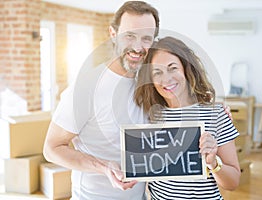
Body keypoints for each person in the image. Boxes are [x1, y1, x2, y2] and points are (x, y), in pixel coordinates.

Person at [43, 1, 160, 200]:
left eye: (146, 38)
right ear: (113, 34)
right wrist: (103, 167)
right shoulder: (86, 89)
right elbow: (52, 148)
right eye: (130, 35)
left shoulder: (151, 85)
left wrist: (216, 111)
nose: (138, 47)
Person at [135, 36, 241, 199]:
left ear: (186, 68)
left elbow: (233, 183)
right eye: (157, 72)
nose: (167, 79)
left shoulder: (216, 114)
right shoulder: (148, 116)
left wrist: (213, 163)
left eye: (173, 68)